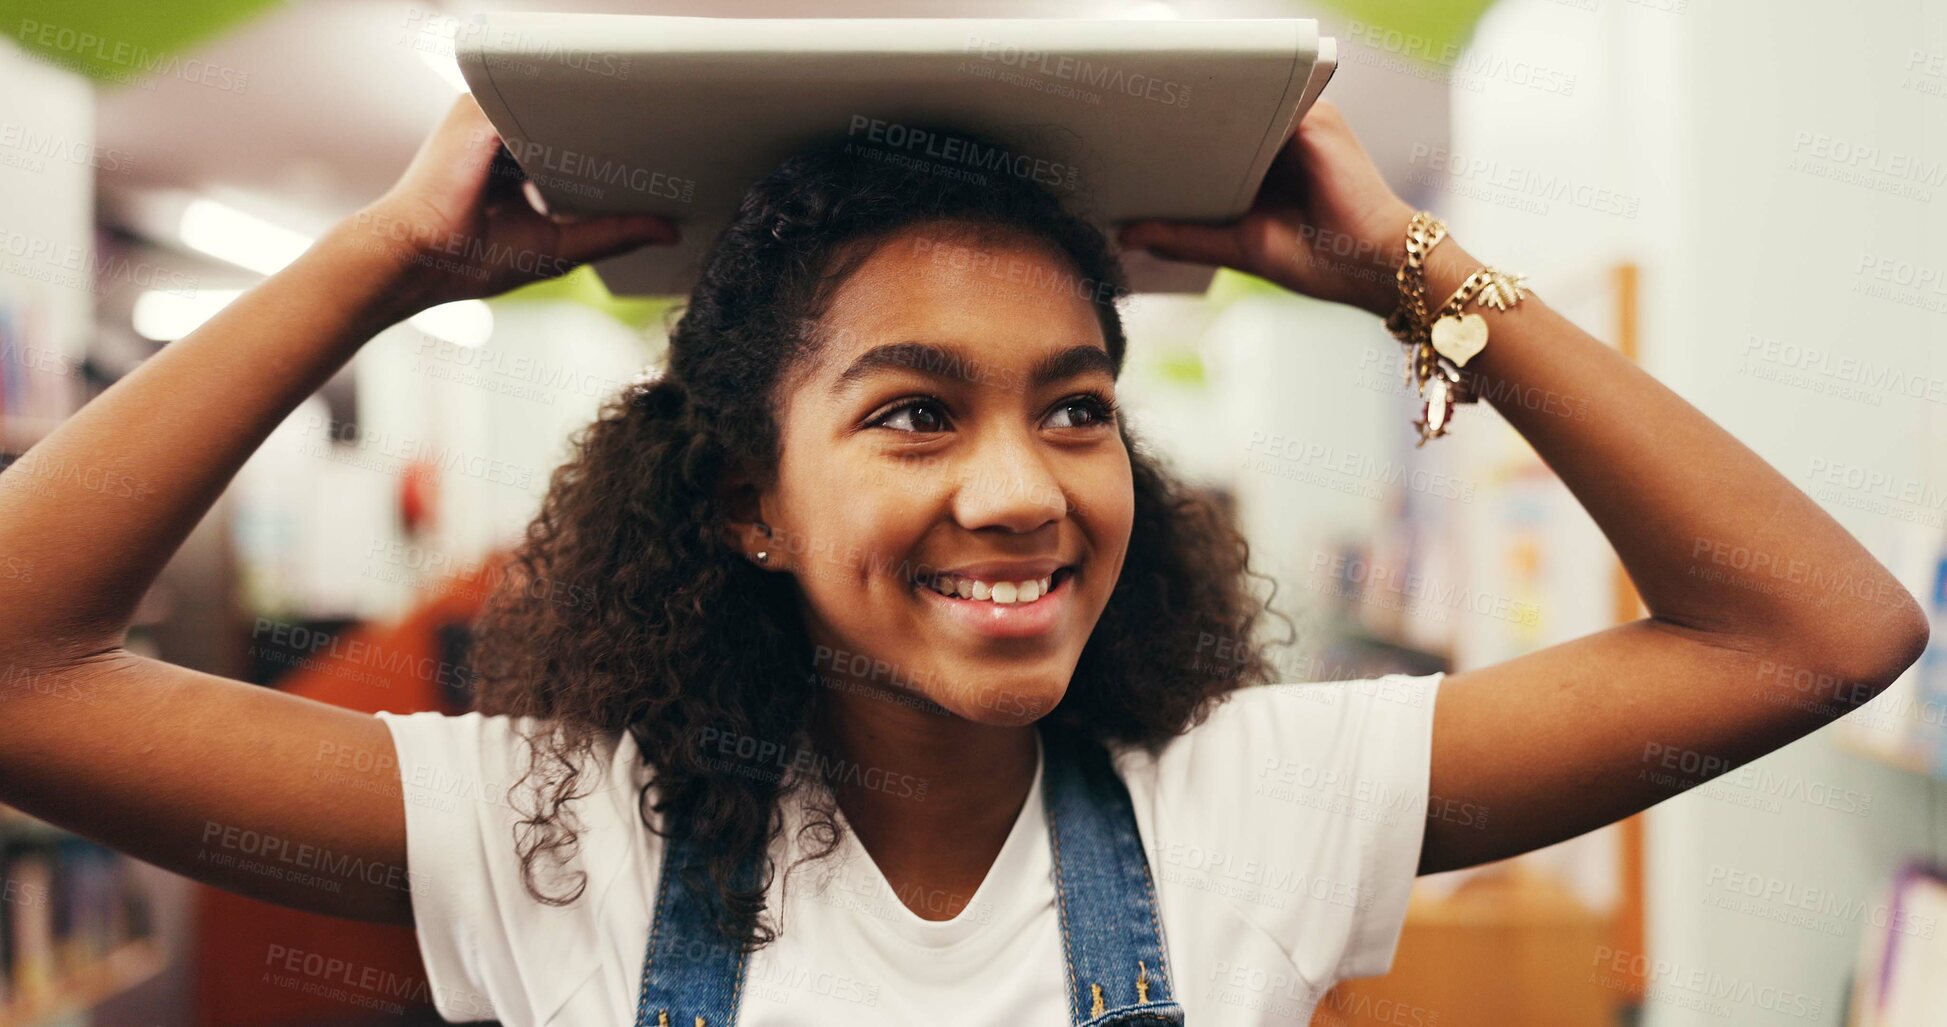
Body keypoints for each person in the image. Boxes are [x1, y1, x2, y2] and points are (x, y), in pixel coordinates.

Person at [0, 93, 1926, 1027]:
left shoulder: (1255, 800)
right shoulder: (555, 826)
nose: (1025, 491)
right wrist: (382, 265)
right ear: (749, 500)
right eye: (916, 413)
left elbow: (1818, 636)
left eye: (1076, 406)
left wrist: (1419, 277)